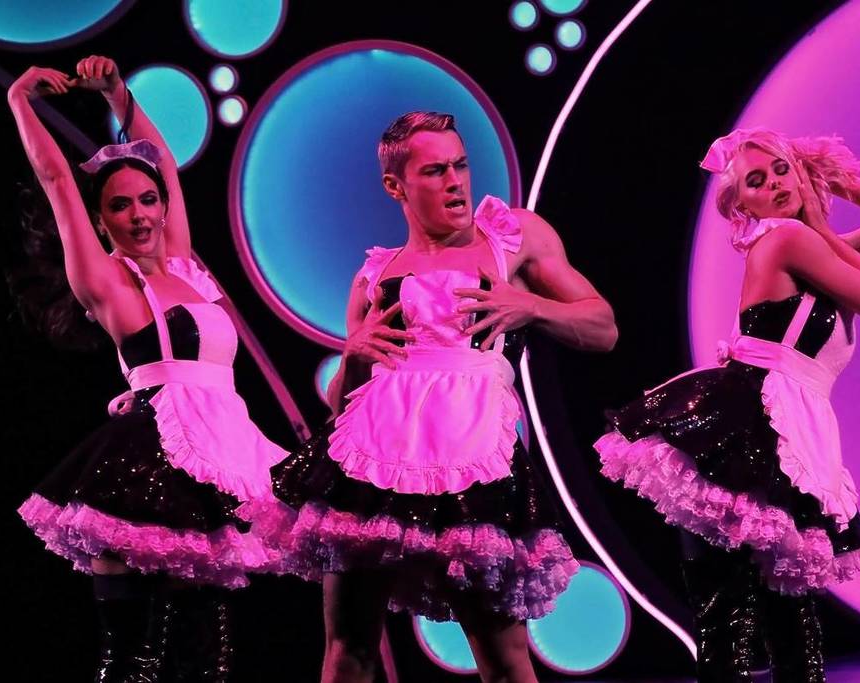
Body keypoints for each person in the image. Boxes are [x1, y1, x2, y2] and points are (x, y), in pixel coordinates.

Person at [244, 111, 617, 683]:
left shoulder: (512, 238)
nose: (456, 182)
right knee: (349, 650)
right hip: (375, 466)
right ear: (397, 186)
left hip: (473, 462)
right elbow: (344, 408)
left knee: (504, 657)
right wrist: (352, 359)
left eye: (461, 166)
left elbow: (604, 328)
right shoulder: (375, 276)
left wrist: (532, 308)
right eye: (437, 170)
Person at [594, 127, 860, 682]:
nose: (772, 184)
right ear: (738, 206)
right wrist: (815, 215)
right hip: (750, 417)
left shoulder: (815, 246)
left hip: (788, 422)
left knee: (786, 608)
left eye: (779, 169)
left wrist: (829, 176)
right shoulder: (785, 240)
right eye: (755, 180)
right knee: (734, 614)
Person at [9, 56, 288, 681]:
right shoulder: (107, 279)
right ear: (102, 220)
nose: (139, 214)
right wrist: (19, 99)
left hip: (222, 449)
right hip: (153, 449)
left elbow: (160, 158)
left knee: (208, 653)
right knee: (135, 656)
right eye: (120, 206)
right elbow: (57, 180)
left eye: (148, 200)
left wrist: (117, 93)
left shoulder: (186, 266)